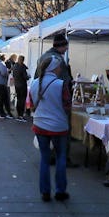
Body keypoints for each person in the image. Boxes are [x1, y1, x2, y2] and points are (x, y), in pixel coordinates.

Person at [29, 56, 71, 202]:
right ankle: (60, 190)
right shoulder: (60, 84)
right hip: (59, 126)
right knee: (61, 158)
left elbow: (31, 104)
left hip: (40, 125)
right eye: (59, 66)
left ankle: (45, 192)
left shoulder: (34, 83)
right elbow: (67, 106)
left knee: (44, 159)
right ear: (54, 68)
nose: (60, 69)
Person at [11, 55, 31, 122]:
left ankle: (18, 114)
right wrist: (28, 76)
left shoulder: (15, 66)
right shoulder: (22, 67)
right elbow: (26, 77)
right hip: (22, 85)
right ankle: (21, 115)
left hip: (17, 85)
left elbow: (13, 75)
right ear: (22, 60)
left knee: (19, 99)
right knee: (22, 100)